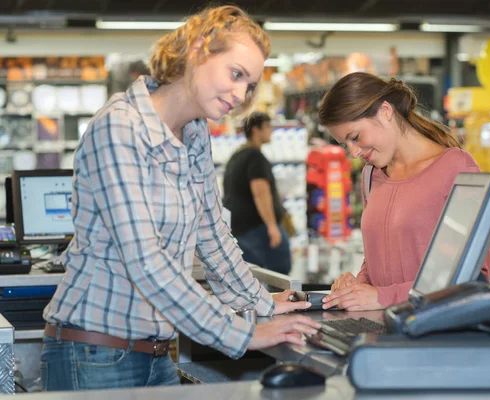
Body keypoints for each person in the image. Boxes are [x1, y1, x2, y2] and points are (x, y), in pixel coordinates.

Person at [40, 5, 318, 392]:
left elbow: (211, 232)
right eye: (236, 74)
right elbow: (145, 261)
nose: (240, 95)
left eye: (250, 85)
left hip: (154, 353)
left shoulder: (194, 133)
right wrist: (244, 334)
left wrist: (262, 302)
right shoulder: (120, 128)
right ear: (199, 49)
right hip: (94, 353)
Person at [318, 72, 490, 312]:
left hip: (435, 337)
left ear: (385, 111)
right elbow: (378, 259)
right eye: (345, 144)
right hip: (385, 331)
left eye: (355, 137)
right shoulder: (371, 175)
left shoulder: (457, 168)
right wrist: (357, 287)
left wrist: (383, 297)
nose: (354, 152)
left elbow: (473, 277)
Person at [223, 112, 292, 274]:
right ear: (255, 130)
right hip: (256, 229)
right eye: (267, 127)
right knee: (279, 275)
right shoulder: (255, 156)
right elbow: (260, 193)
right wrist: (272, 227)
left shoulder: (237, 156)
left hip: (239, 228)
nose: (271, 131)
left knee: (252, 276)